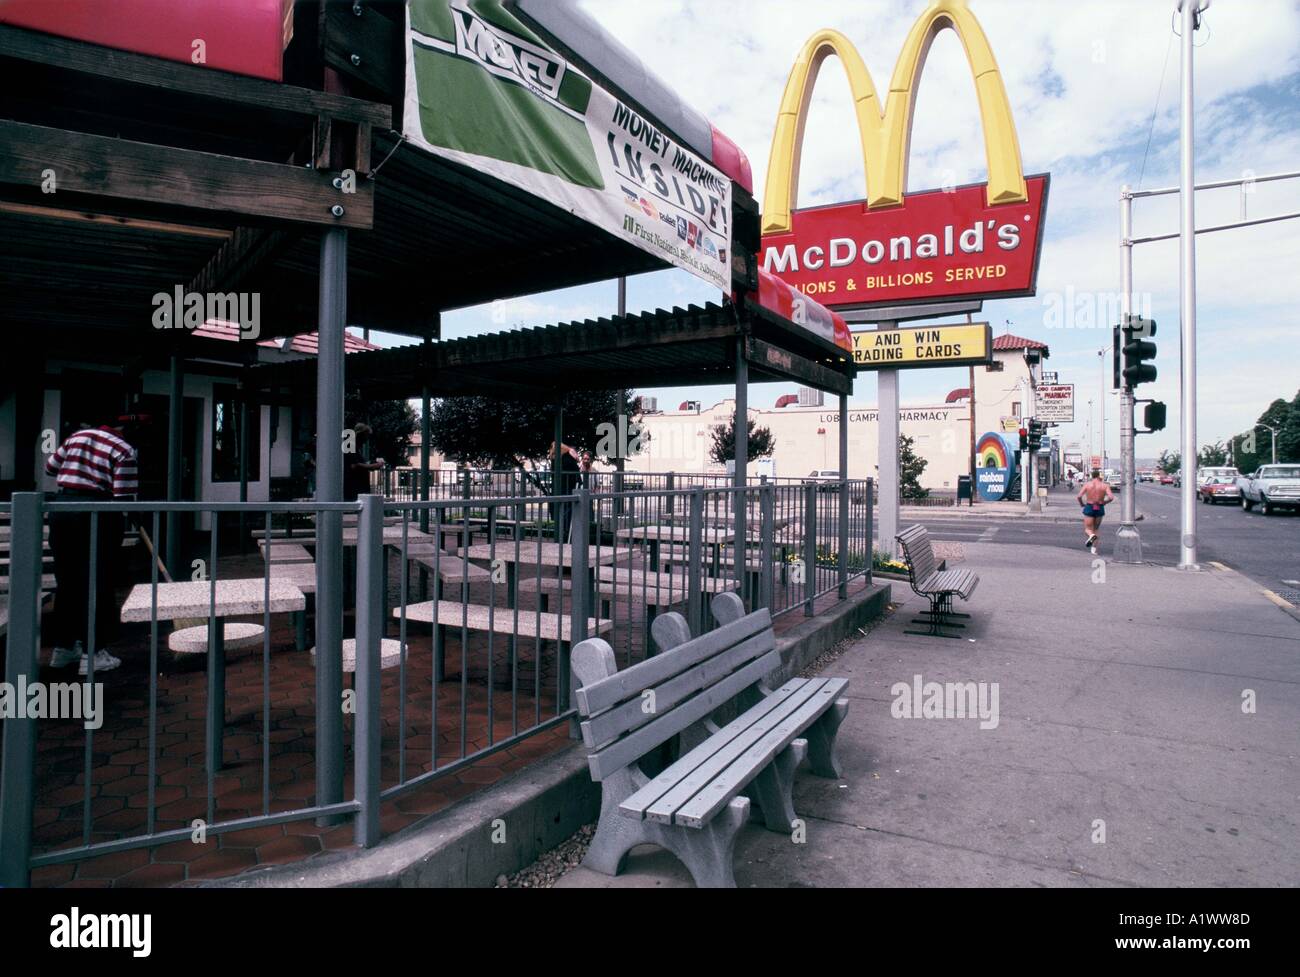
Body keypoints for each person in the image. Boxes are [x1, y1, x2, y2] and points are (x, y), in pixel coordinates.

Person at [44, 414, 140, 674]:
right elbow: (123, 496)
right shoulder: (124, 450)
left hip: (62, 512)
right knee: (98, 581)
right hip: (97, 514)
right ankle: (93, 652)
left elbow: (50, 467)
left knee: (67, 581)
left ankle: (63, 648)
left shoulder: (77, 436)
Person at [1076, 469, 1114, 554]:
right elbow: (1111, 497)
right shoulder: (1104, 485)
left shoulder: (1087, 485)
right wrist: (1105, 502)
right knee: (1096, 529)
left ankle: (1091, 536)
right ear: (1098, 476)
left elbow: (1079, 496)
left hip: (1089, 506)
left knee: (1088, 529)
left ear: (1092, 476)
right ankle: (1094, 549)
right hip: (1099, 507)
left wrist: (1082, 504)